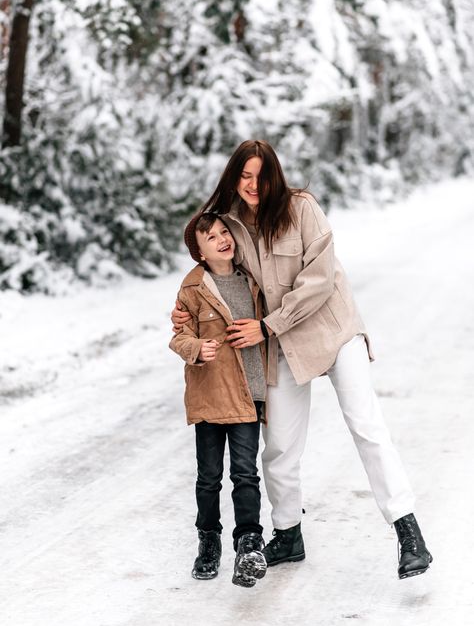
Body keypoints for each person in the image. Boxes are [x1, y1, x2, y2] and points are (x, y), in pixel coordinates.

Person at [172, 139, 433, 580]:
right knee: (278, 449)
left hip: (332, 332)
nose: (254, 185)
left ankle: (409, 532)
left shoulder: (302, 208)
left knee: (366, 426)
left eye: (262, 174)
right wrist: (187, 306)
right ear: (235, 177)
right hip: (280, 345)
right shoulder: (230, 223)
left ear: (276, 174)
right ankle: (288, 535)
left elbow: (320, 278)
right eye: (245, 175)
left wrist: (269, 324)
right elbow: (207, 256)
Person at [169, 212, 268, 588]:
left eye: (225, 232)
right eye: (211, 237)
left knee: (246, 474)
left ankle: (249, 543)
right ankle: (208, 542)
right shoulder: (192, 289)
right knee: (209, 478)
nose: (223, 239)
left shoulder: (253, 280)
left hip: (247, 394)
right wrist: (196, 347)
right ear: (200, 252)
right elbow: (178, 337)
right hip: (211, 396)